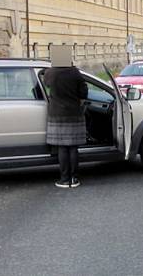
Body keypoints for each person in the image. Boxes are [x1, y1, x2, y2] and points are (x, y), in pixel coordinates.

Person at [42, 56, 88, 189]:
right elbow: (84, 92)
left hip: (57, 114)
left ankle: (64, 179)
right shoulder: (75, 73)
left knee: (62, 147)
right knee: (73, 147)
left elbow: (47, 85)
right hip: (74, 113)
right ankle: (74, 179)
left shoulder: (50, 73)